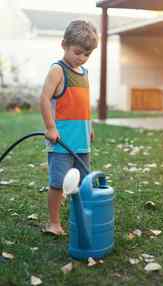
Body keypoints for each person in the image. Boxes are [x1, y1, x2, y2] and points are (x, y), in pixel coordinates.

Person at [40, 20, 98, 235]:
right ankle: (54, 223)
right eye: (78, 52)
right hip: (61, 142)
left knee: (82, 184)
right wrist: (50, 127)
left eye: (87, 54)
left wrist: (89, 127)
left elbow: (84, 104)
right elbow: (45, 99)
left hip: (82, 142)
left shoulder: (85, 73)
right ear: (64, 44)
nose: (82, 57)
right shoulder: (58, 70)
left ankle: (79, 218)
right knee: (58, 183)